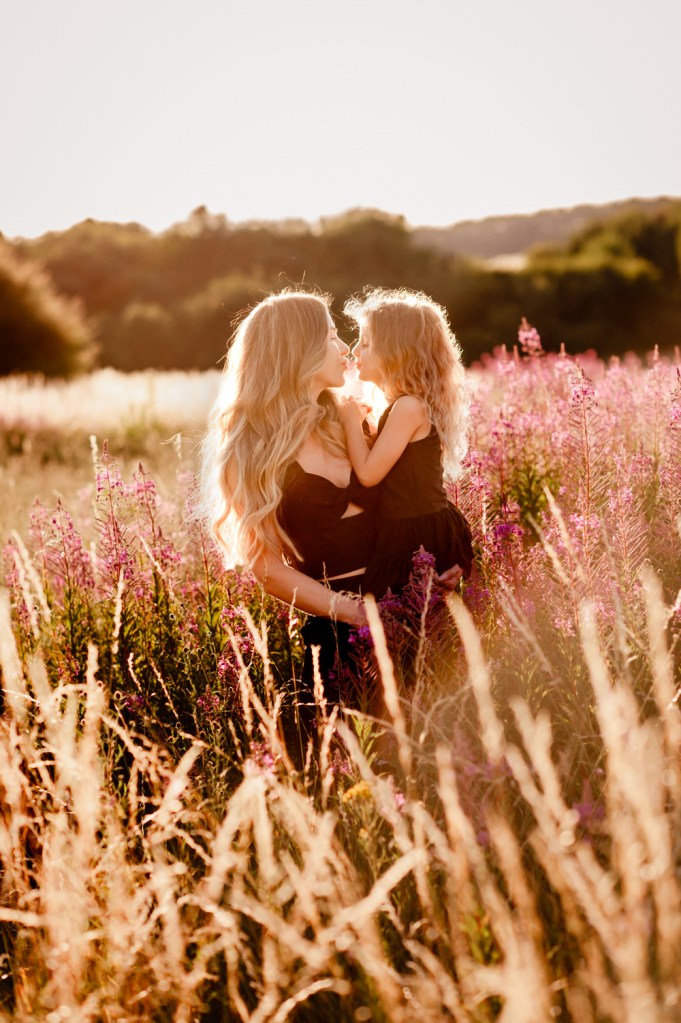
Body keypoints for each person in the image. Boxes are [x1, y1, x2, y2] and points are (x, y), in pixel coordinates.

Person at [202, 289, 465, 709]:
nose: (345, 348)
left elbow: (416, 498)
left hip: (419, 611)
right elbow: (266, 568)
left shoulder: (351, 423)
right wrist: (356, 613)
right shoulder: (250, 450)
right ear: (297, 349)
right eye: (330, 337)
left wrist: (447, 559)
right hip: (343, 636)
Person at [339, 288, 473, 599]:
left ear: (397, 352)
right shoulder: (405, 405)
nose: (355, 351)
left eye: (367, 343)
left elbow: (370, 474)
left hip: (414, 532)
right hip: (414, 523)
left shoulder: (409, 407)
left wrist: (349, 421)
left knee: (400, 616)